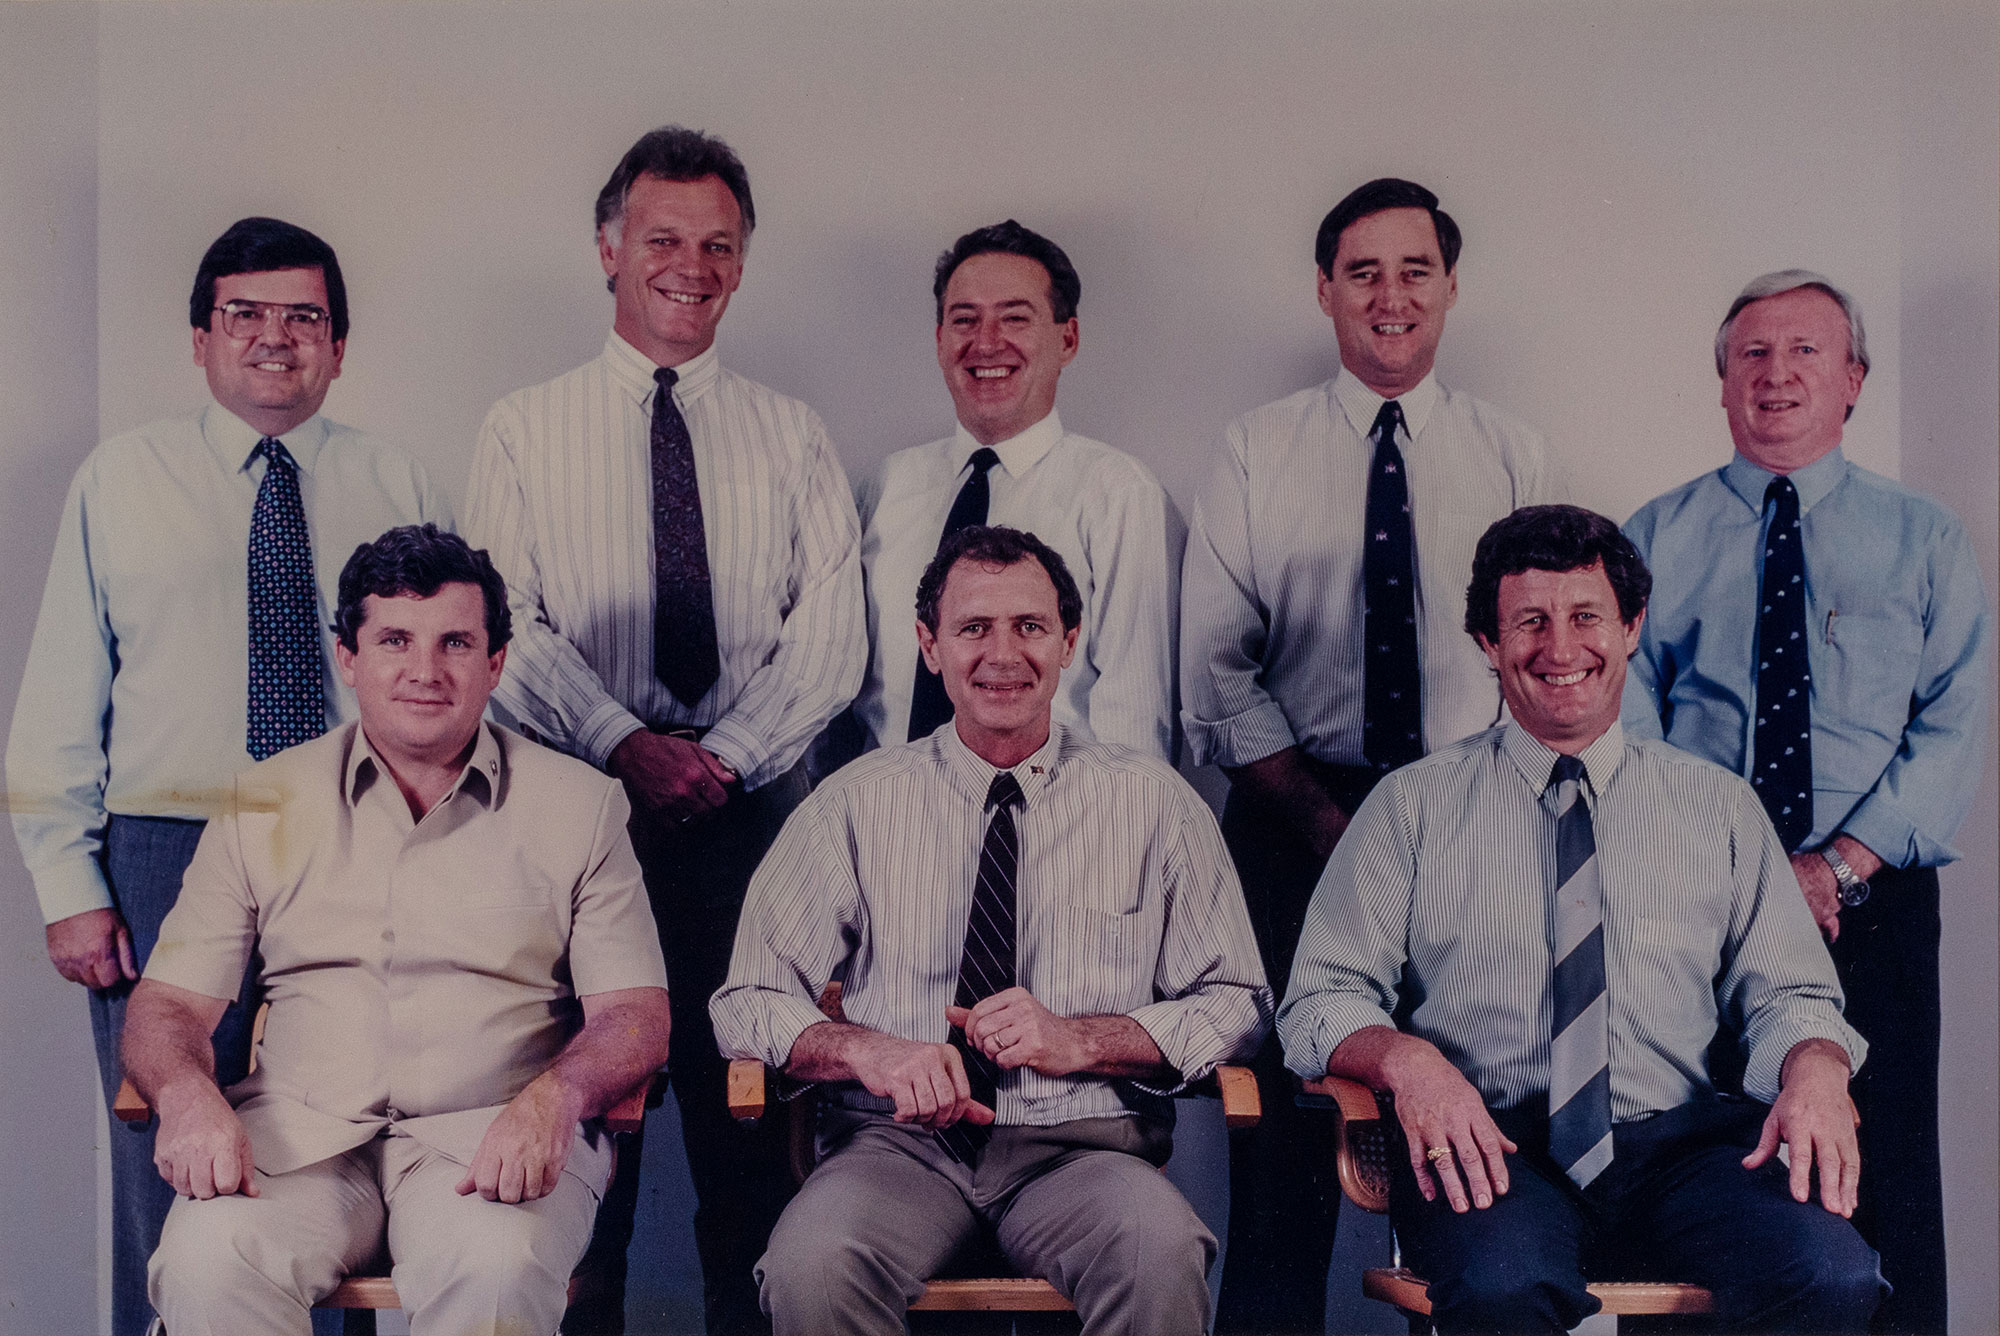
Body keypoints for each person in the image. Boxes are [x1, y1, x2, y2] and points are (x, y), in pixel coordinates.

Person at [1280, 504, 1886, 1333]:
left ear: (1632, 627)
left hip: (1680, 1150)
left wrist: (1816, 1063)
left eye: (1586, 616)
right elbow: (1317, 1000)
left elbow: (1792, 996)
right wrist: (1404, 1059)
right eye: (1529, 621)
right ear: (1490, 646)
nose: (1560, 649)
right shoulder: (1409, 809)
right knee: (1501, 1287)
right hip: (1492, 1148)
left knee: (1832, 1274)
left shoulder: (1718, 807)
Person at [5, 217, 446, 1336]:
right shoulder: (122, 478)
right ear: (199, 336)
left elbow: (433, 675)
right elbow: (61, 695)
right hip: (165, 844)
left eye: (303, 316)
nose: (273, 338)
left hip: (350, 841)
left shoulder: (393, 476)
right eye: (244, 314)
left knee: (331, 1145)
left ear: (339, 347)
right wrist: (70, 885)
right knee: (170, 1147)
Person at [463, 124, 864, 1334]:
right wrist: (626, 746)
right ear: (607, 248)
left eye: (717, 245)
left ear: (740, 265)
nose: (689, 264)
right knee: (588, 1145)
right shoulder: (522, 428)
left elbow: (830, 637)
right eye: (661, 239)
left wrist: (723, 760)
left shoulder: (790, 432)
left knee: (752, 1143)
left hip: (754, 835)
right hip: (578, 825)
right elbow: (503, 622)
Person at [713, 525, 1271, 1336]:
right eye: (973, 627)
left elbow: (1239, 1003)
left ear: (1069, 641)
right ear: (929, 646)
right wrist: (870, 1050)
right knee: (812, 1267)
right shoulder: (851, 803)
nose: (1002, 654)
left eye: (1030, 626)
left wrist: (1083, 1039)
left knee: (1162, 1254)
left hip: (1084, 1153)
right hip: (897, 1150)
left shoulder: (1153, 805)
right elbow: (746, 1000)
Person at [1178, 176, 1563, 1332]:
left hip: (1472, 818)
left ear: (1448, 287)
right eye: (1361, 272)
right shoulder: (1254, 449)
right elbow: (1213, 670)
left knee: (1468, 1126)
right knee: (1289, 1139)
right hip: (1291, 812)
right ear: (1323, 291)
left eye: (1413, 271)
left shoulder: (1511, 449)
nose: (1388, 296)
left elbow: (1544, 650)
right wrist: (1315, 812)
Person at [125, 524, 672, 1334]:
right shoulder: (260, 803)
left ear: (495, 662)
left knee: (496, 1271)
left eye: (456, 641)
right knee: (208, 1261)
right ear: (348, 657)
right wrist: (186, 1093)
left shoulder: (580, 806)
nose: (425, 670)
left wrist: (553, 1100)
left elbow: (636, 1015)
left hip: (491, 1139)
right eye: (394, 640)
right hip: (296, 1141)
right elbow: (167, 1007)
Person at [1622, 271, 1991, 1335]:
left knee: (1884, 1168)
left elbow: (1949, 730)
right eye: (1751, 355)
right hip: (1699, 906)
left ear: (1853, 382)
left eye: (1803, 353)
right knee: (1718, 1168)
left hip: (1870, 901)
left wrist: (1831, 866)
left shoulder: (1923, 538)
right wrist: (1740, 875)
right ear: (1722, 383)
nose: (1775, 374)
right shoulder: (1651, 536)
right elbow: (1630, 729)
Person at [853, 220, 1181, 760]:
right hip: (888, 819)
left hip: (1057, 826)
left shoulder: (1120, 494)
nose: (986, 343)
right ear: (939, 340)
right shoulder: (881, 489)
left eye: (1014, 318)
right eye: (965, 320)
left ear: (1067, 339)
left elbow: (1138, 724)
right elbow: (849, 702)